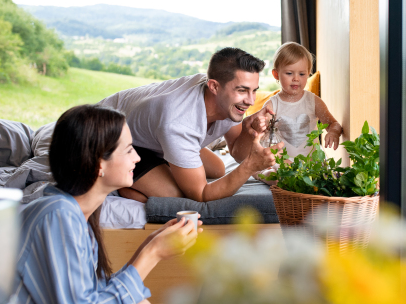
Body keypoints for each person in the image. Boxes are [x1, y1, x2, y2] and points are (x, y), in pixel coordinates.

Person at [13, 105, 202, 304]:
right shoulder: (56, 216)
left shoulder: (77, 217)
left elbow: (96, 297)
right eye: (130, 149)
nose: (138, 158)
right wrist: (153, 253)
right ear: (99, 162)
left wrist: (150, 244)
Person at [98, 47, 281, 203]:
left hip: (153, 132)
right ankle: (125, 186)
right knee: (175, 195)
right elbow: (201, 194)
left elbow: (237, 150)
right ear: (214, 87)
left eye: (253, 90)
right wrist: (250, 166)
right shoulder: (179, 123)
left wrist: (250, 132)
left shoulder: (227, 101)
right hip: (110, 137)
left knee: (218, 169)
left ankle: (169, 156)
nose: (250, 101)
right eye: (242, 90)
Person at [253, 42, 342, 182]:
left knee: (325, 177)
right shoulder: (273, 104)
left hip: (312, 162)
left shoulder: (313, 101)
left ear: (308, 74)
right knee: (278, 177)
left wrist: (334, 132)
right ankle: (263, 174)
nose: (296, 78)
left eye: (302, 74)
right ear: (276, 74)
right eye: (289, 73)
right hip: (283, 162)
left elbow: (333, 123)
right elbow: (262, 132)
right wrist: (261, 124)